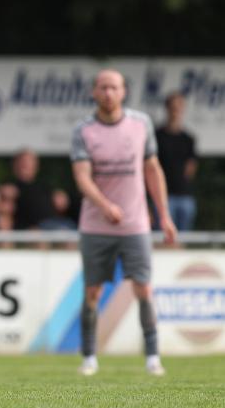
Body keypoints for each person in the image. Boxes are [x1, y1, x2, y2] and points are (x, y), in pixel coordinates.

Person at [71, 69, 177, 377]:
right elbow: (82, 177)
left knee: (143, 288)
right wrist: (105, 206)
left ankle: (152, 356)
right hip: (95, 226)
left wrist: (164, 215)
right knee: (92, 292)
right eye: (102, 88)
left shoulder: (140, 124)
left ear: (123, 92)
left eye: (113, 87)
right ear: (94, 92)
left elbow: (152, 170)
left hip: (135, 224)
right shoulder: (84, 130)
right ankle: (89, 357)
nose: (108, 93)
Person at [155, 93, 198, 231]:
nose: (176, 111)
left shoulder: (188, 138)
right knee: (163, 238)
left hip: (185, 196)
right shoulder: (157, 136)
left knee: (183, 238)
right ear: (167, 109)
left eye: (179, 107)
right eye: (173, 107)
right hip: (162, 197)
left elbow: (191, 165)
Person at [8, 149, 75, 231]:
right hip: (29, 227)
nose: (25, 165)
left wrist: (62, 198)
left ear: (36, 166)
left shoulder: (44, 186)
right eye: (23, 162)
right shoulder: (10, 186)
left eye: (29, 162)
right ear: (15, 165)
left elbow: (62, 203)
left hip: (55, 223)